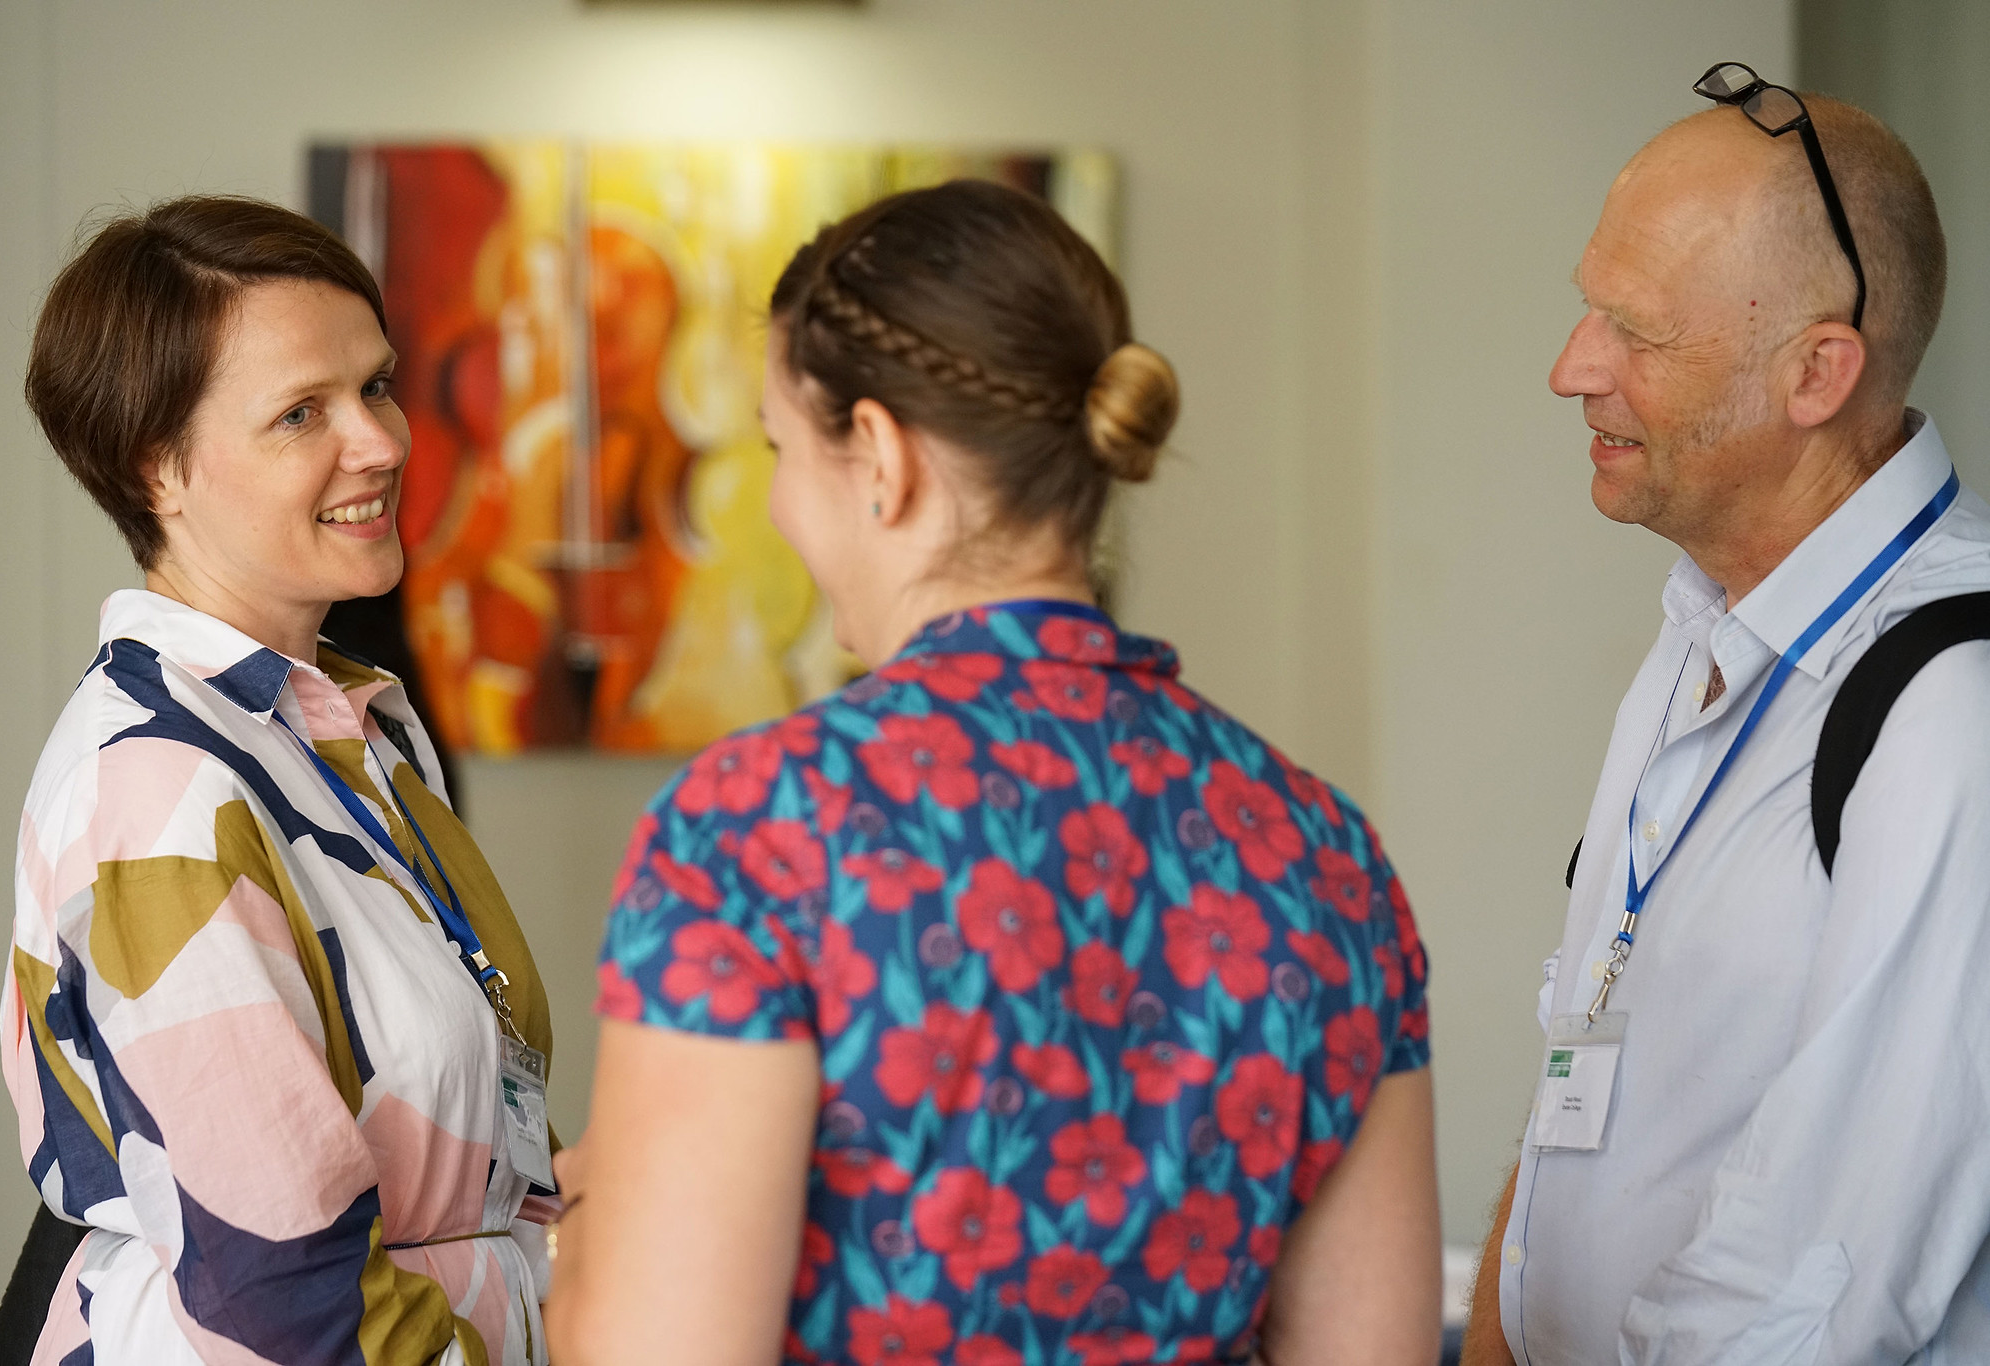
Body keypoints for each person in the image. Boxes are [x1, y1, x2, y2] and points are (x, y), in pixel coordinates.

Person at [544, 178, 1441, 1366]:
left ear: (879, 457)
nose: (777, 500)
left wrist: (593, 1224)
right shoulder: (1322, 850)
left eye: (778, 449)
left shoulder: (759, 825)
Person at [1461, 69, 1990, 1365]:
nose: (1570, 368)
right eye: (1588, 308)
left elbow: (1815, 1282)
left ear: (1815, 371)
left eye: (1634, 331)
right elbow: (1585, 1079)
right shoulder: (1703, 628)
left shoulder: (1950, 704)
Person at [2, 196, 559, 1365]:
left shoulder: (346, 725)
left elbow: (463, 1148)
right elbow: (288, 1302)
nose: (383, 442)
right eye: (303, 411)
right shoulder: (159, 792)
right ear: (158, 468)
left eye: (376, 385)